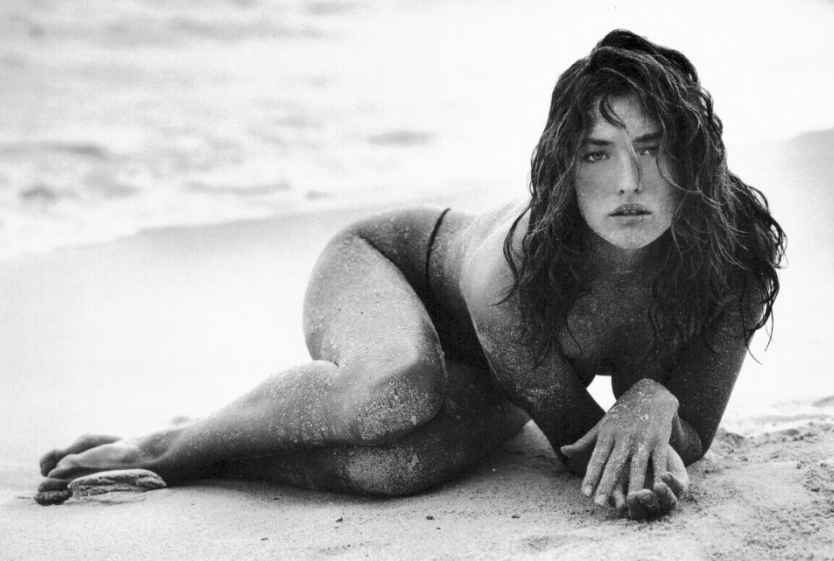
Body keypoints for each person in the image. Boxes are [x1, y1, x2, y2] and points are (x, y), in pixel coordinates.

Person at [35, 29, 785, 520]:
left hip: (498, 372)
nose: (628, 182)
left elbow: (687, 428)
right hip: (385, 267)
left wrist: (657, 403)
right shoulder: (512, 268)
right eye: (597, 152)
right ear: (565, 166)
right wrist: (641, 438)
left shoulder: (735, 257)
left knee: (396, 468)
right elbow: (583, 444)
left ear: (693, 156)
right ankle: (168, 448)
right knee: (395, 388)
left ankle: (224, 456)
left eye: (652, 147)